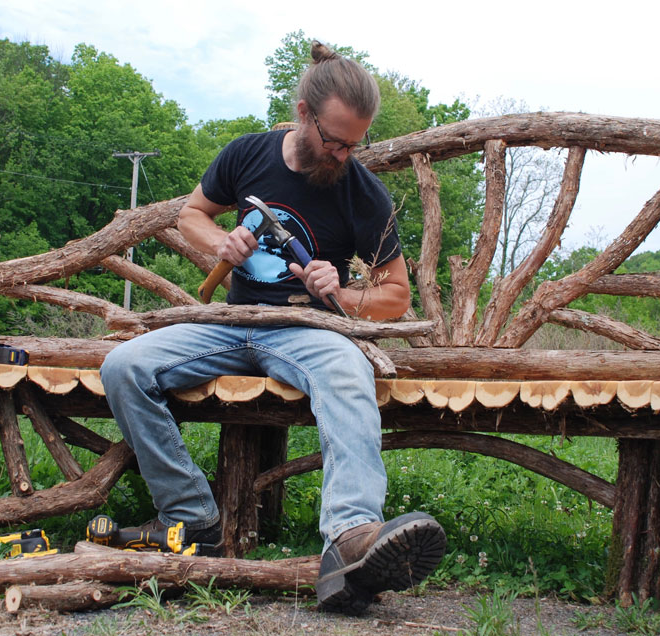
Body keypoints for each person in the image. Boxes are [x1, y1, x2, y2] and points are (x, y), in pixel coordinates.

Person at [100, 41, 446, 615]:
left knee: (347, 374)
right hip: (232, 321)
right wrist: (222, 243)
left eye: (353, 143)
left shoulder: (364, 193)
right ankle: (190, 516)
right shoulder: (246, 155)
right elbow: (192, 215)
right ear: (305, 113)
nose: (340, 153)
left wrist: (341, 291)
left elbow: (395, 297)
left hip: (307, 331)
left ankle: (352, 539)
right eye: (332, 139)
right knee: (125, 366)